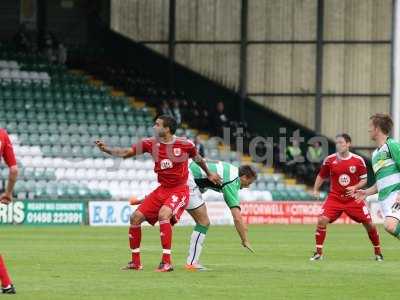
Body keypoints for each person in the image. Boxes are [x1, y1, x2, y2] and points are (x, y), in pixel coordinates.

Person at [95, 115, 221, 272]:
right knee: (135, 218)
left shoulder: (185, 145)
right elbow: (127, 152)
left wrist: (209, 174)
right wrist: (106, 149)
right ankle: (135, 262)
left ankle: (166, 262)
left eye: (157, 124)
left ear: (167, 129)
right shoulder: (149, 143)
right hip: (162, 189)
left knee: (164, 214)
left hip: (180, 189)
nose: (154, 127)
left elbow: (198, 159)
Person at [129, 160, 257, 271]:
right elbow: (236, 217)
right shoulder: (233, 181)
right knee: (203, 222)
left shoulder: (230, 169)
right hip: (187, 179)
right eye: (249, 183)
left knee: (173, 196)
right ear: (244, 177)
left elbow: (205, 165)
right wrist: (244, 239)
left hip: (184, 172)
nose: (247, 186)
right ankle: (192, 263)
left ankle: (144, 198)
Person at [311, 133, 382, 261]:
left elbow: (364, 180)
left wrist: (355, 187)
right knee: (322, 220)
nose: (339, 145)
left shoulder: (358, 160)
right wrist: (315, 189)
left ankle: (378, 253)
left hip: (353, 199)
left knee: (370, 224)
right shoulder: (330, 160)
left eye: (341, 142)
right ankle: (318, 253)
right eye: (337, 143)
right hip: (335, 198)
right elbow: (321, 175)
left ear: (348, 144)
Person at [355, 114, 400, 240]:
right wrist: (366, 192)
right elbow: (380, 183)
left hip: (396, 195)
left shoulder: (392, 146)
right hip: (385, 199)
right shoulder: (375, 154)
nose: (369, 130)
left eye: (370, 126)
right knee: (390, 227)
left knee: (390, 226)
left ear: (377, 129)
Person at [0, 128, 19, 294]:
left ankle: (7, 285)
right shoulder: (2, 134)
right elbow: (13, 170)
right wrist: (8, 193)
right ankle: (6, 285)